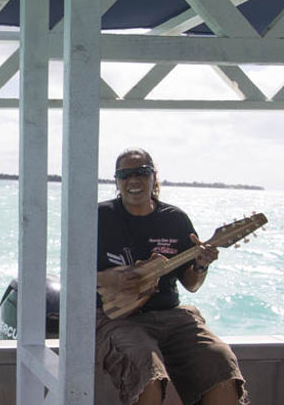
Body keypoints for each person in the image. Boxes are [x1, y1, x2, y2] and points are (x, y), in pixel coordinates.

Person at [95, 148, 247, 405]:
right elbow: (72, 273)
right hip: (117, 318)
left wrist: (200, 266)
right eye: (125, 174)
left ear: (154, 176)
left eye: (142, 172)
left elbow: (191, 284)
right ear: (116, 180)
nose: (134, 180)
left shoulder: (175, 220)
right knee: (147, 370)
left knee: (220, 361)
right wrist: (112, 280)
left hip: (171, 316)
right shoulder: (99, 216)